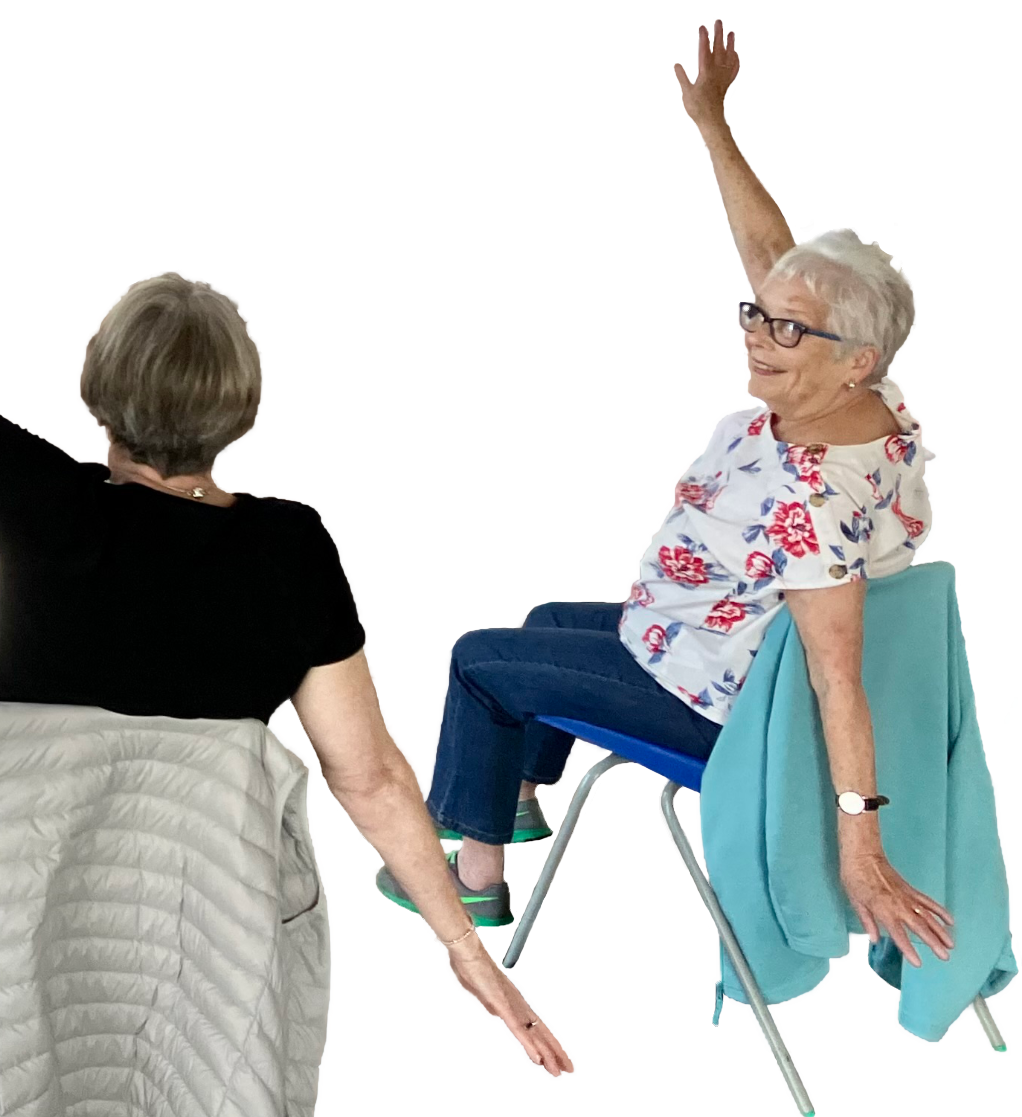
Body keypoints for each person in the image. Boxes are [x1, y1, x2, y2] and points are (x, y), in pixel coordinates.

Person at [0, 20, 573, 1075]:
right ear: (236, 406)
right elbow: (365, 774)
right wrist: (463, 945)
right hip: (159, 883)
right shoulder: (293, 551)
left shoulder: (40, 500)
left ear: (100, 386)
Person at [383, 22, 955, 972]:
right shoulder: (872, 405)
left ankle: (473, 871)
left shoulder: (814, 508)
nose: (758, 337)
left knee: (482, 661)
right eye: (761, 316)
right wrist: (713, 123)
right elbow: (779, 258)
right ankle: (515, 798)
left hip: (714, 705)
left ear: (854, 361)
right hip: (709, 641)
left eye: (788, 331)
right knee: (544, 617)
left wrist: (863, 845)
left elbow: (837, 678)